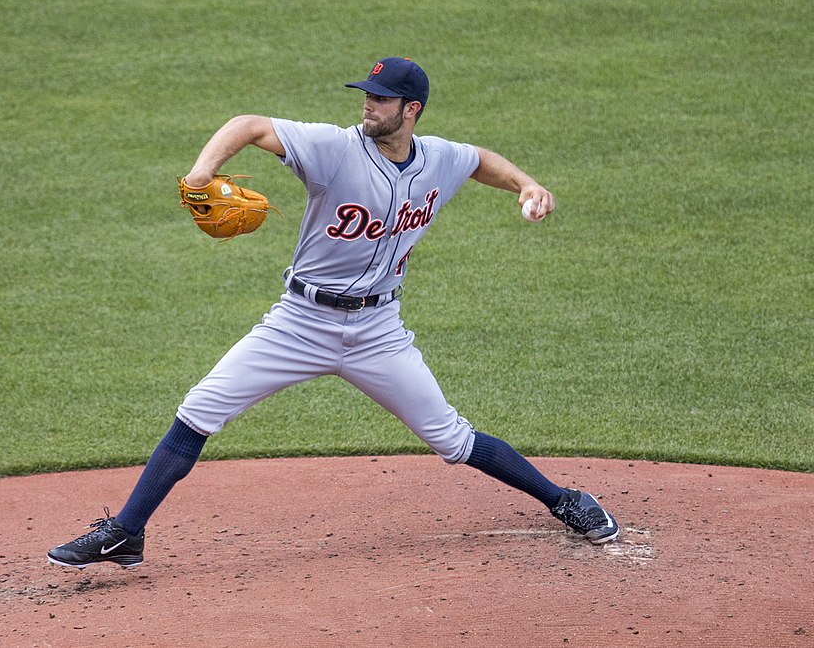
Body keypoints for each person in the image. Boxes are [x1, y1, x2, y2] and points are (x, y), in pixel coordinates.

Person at [47, 57, 619, 569]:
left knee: (450, 438)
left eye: (381, 98)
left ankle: (565, 501)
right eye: (366, 94)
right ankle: (126, 533)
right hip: (299, 323)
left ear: (410, 110)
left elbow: (477, 161)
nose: (367, 104)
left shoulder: (437, 158)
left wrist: (526, 183)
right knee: (199, 409)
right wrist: (201, 173)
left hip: (377, 332)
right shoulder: (333, 147)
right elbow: (249, 126)